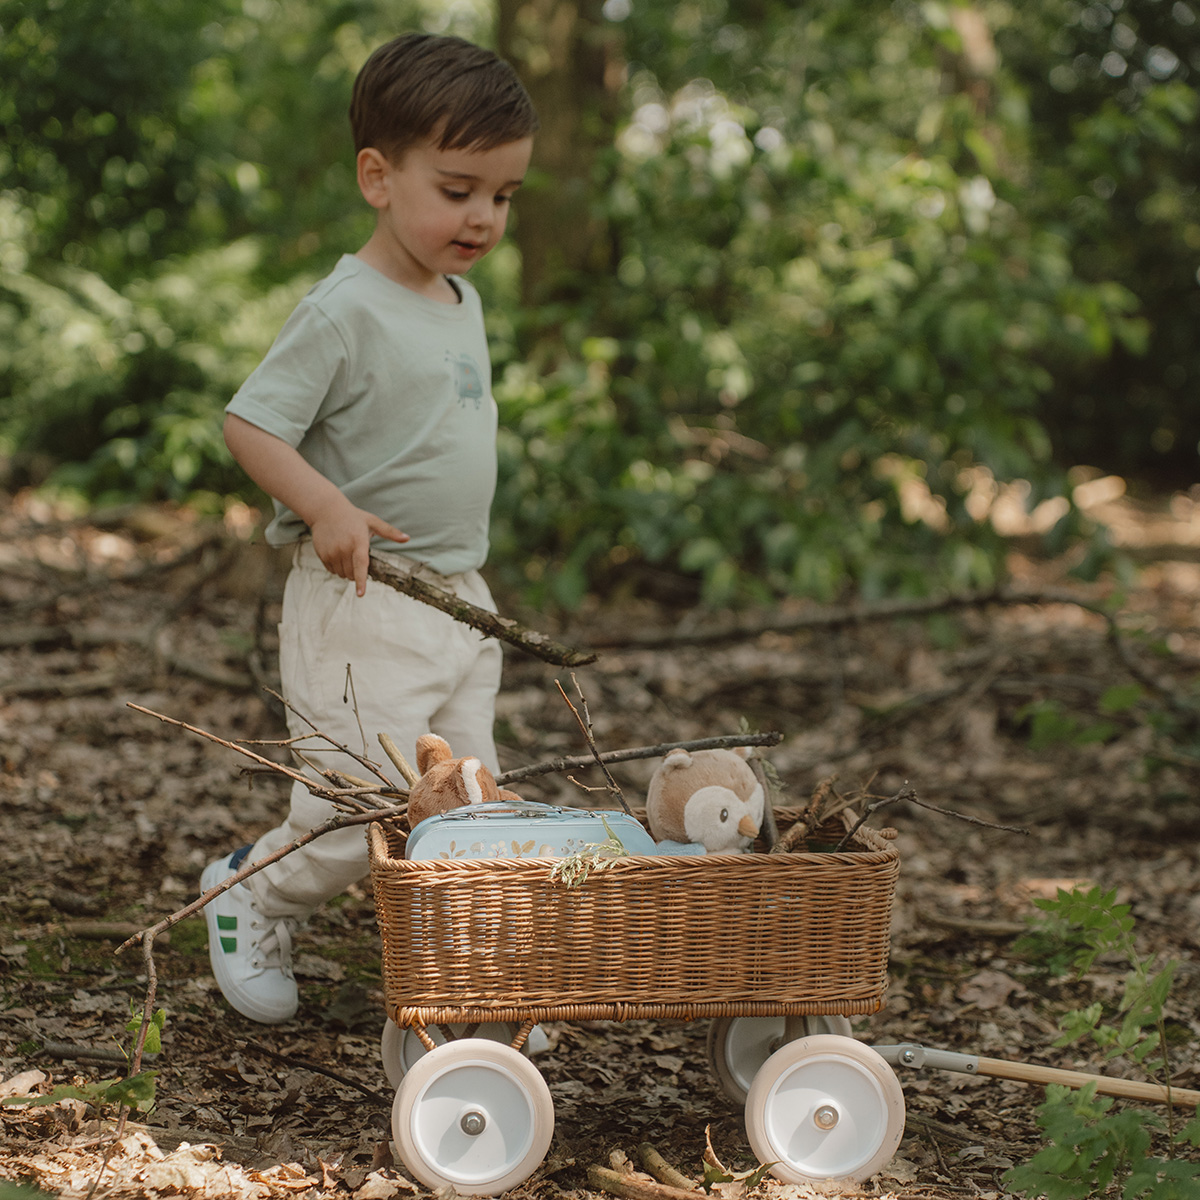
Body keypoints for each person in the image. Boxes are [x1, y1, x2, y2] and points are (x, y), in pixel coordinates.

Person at [201, 32, 538, 1023]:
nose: (482, 216)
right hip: (363, 599)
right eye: (459, 188)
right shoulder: (343, 310)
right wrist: (325, 504)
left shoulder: (460, 297)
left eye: (504, 197)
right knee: (358, 805)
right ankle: (250, 893)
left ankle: (460, 966)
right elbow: (249, 421)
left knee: (465, 799)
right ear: (378, 176)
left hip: (459, 600)